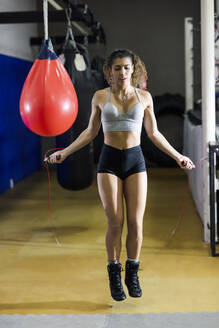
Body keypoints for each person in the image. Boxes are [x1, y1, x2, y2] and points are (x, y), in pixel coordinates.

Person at [45, 49, 195, 302]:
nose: (123, 72)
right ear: (109, 72)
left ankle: (132, 273)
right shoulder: (100, 96)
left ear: (133, 69)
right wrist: (65, 153)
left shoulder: (145, 97)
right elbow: (90, 132)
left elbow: (154, 133)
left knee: (136, 223)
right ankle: (114, 273)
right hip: (109, 163)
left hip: (136, 161)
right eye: (117, 68)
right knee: (115, 223)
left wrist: (178, 156)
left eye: (127, 67)